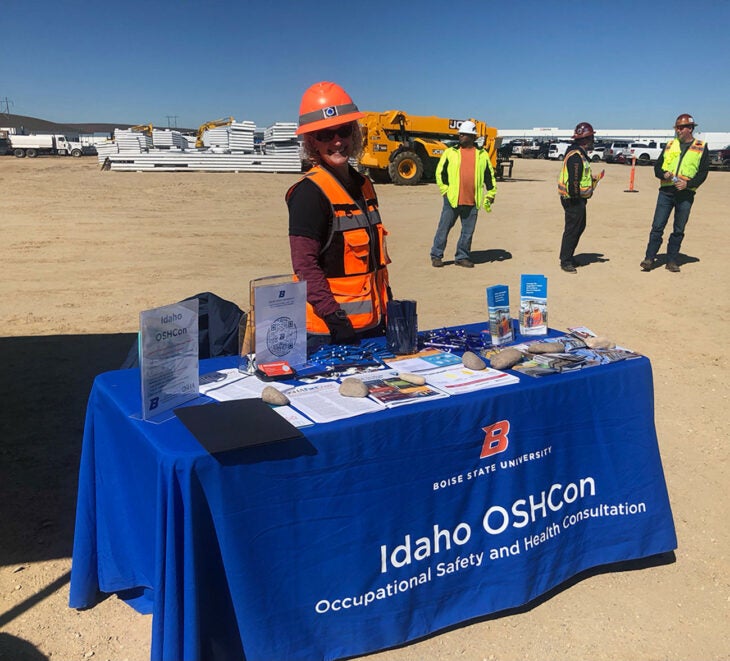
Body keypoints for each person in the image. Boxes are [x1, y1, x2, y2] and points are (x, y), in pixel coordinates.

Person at [286, 81, 391, 349]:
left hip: (373, 324)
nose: (337, 142)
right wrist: (334, 317)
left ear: (354, 133)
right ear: (311, 142)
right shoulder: (309, 194)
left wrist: (387, 301)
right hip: (329, 332)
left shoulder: (364, 185)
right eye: (324, 135)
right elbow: (304, 265)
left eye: (343, 131)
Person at [640, 113, 709, 273]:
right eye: (677, 127)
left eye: (681, 127)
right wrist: (663, 174)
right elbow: (657, 167)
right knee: (657, 226)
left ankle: (671, 260)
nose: (678, 130)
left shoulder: (701, 147)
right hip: (666, 192)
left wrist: (688, 184)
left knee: (678, 229)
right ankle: (649, 258)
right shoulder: (670, 145)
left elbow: (703, 172)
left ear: (690, 128)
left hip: (685, 194)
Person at [429, 121, 497, 268]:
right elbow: (440, 173)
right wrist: (445, 191)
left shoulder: (482, 155)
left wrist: (491, 193)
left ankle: (462, 257)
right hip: (452, 200)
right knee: (443, 228)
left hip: (472, 201)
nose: (460, 136)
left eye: (464, 134)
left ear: (472, 137)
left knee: (467, 232)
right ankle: (436, 255)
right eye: (460, 134)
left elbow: (489, 176)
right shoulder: (450, 152)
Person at [557, 122, 601, 273]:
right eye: (591, 138)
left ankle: (568, 256)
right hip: (573, 200)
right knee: (572, 229)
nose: (593, 141)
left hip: (577, 199)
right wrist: (577, 198)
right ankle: (565, 260)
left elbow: (580, 178)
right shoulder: (576, 156)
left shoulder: (579, 154)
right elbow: (574, 183)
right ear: (585, 139)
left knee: (579, 227)